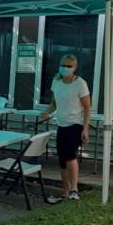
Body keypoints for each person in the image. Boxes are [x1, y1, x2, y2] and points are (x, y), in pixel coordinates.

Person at [41, 53, 91, 203]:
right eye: (63, 65)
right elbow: (53, 103)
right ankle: (65, 191)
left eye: (69, 66)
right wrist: (47, 112)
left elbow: (87, 107)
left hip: (75, 124)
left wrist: (85, 128)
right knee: (62, 159)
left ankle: (74, 189)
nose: (65, 68)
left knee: (70, 155)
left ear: (75, 68)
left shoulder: (80, 83)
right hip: (61, 124)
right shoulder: (56, 82)